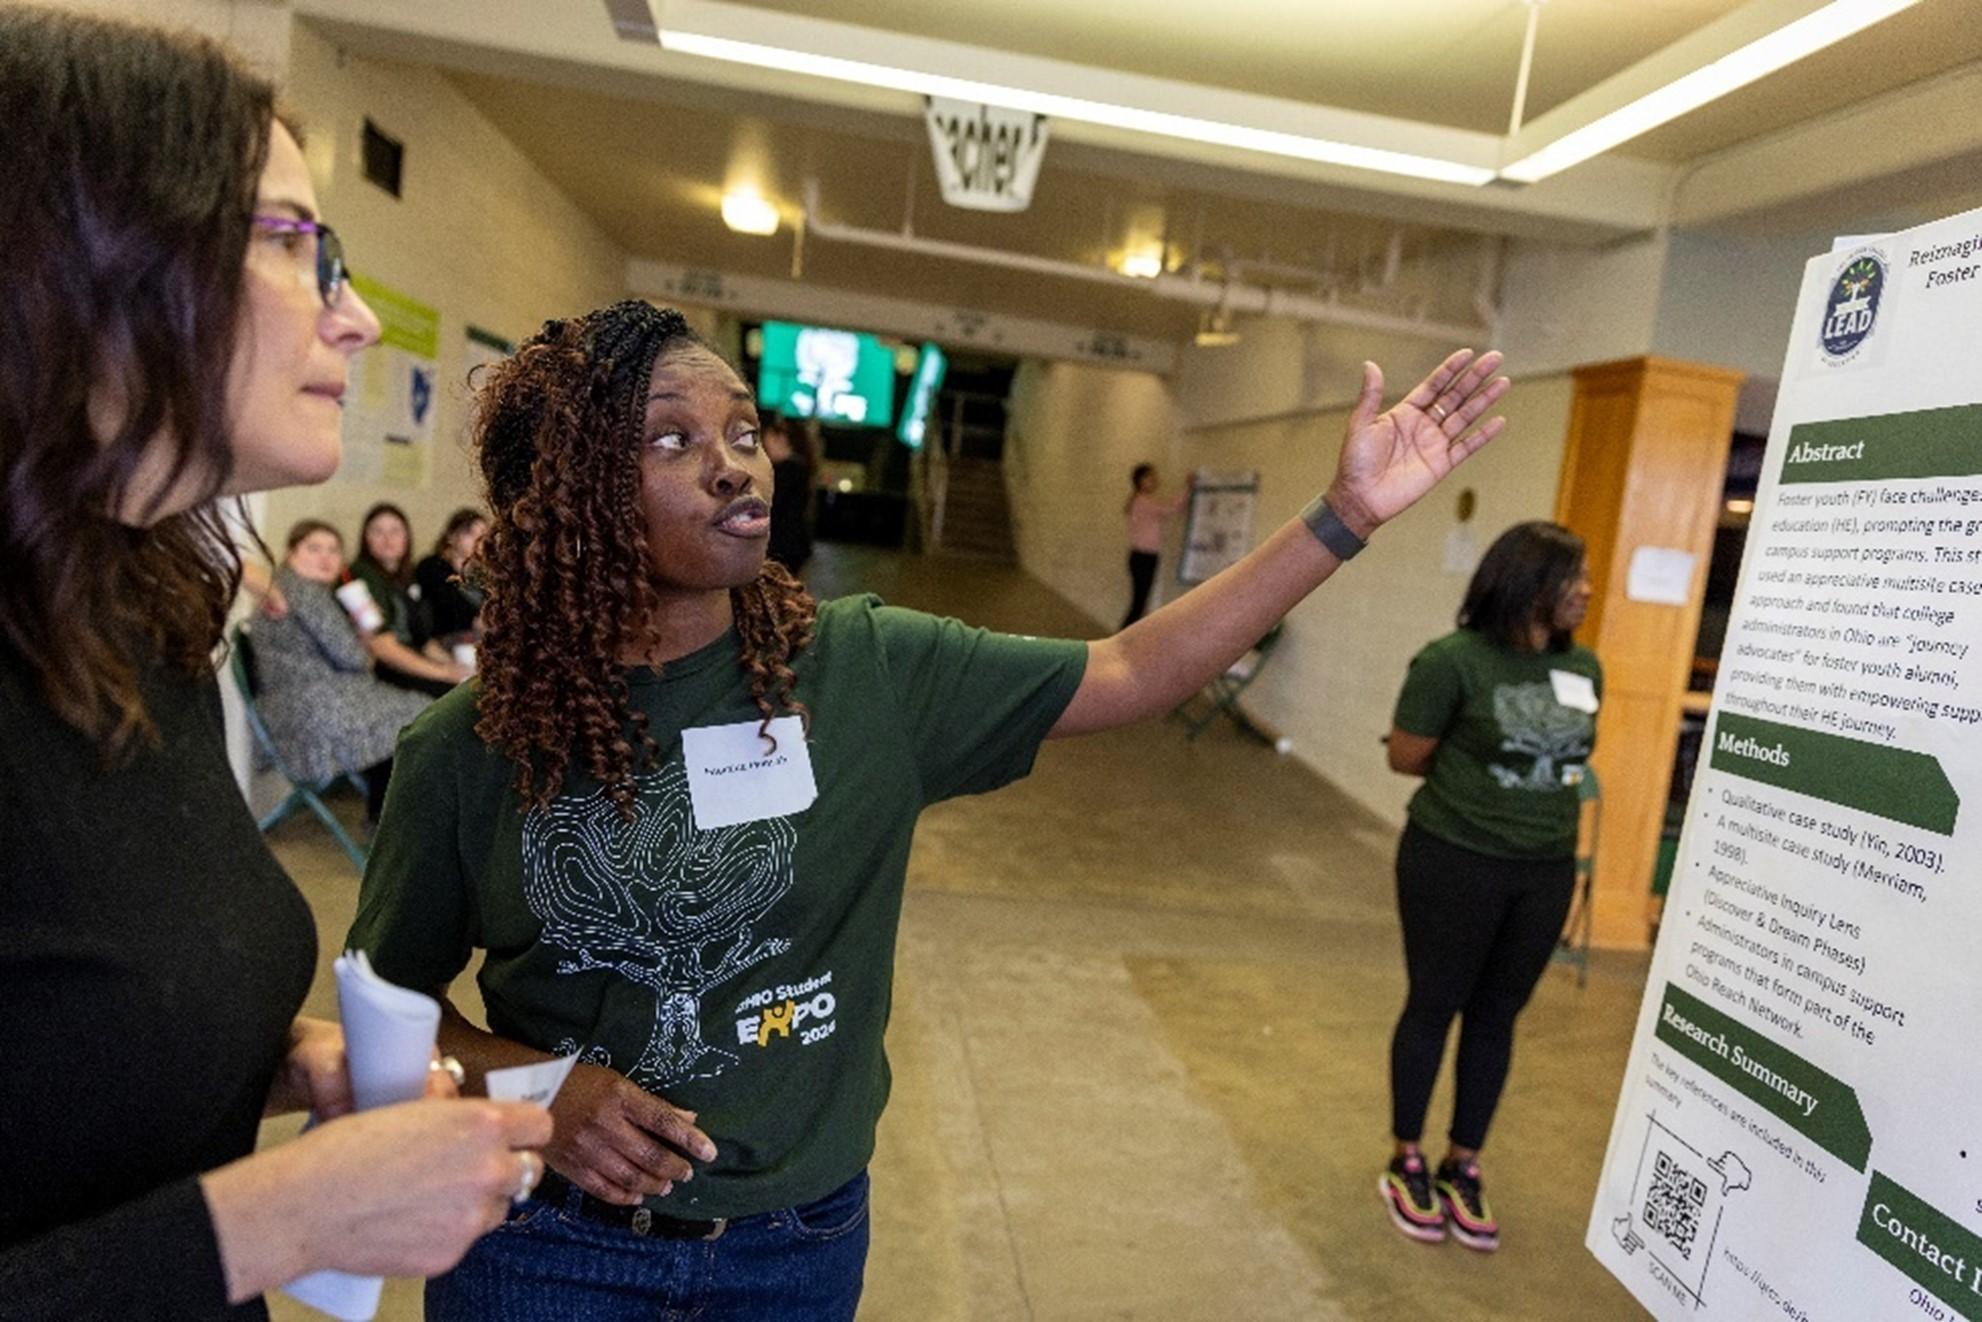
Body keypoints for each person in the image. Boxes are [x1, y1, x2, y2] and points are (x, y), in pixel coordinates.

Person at [350, 300, 1510, 1317]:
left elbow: (1128, 670)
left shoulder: (864, 671)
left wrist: (1341, 516)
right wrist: (542, 1089)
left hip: (792, 1250)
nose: (735, 466)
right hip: (547, 1245)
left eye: (744, 433)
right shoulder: (467, 749)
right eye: (673, 440)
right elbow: (384, 1015)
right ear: (569, 495)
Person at [0, 12, 553, 1318]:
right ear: (92, 259)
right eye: (298, 246)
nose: (351, 317)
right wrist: (281, 1217)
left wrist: (278, 1068)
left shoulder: (133, 624)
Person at [1378, 521, 1599, 1253]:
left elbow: (1570, 760)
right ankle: (1406, 1158)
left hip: (1545, 869)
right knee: (1434, 1004)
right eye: (1573, 577)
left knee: (1498, 1015)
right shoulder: (1452, 662)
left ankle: (1462, 1164)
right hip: (1454, 857)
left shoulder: (1584, 668)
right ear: (1527, 583)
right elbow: (1406, 756)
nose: (1586, 590)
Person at [249, 519, 453, 821]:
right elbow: (355, 658)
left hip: (302, 700)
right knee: (418, 718)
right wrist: (365, 637)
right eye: (314, 548)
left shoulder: (292, 587)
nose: (326, 557)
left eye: (333, 550)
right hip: (309, 708)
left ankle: (385, 815)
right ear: (291, 554)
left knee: (414, 712)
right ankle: (387, 819)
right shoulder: (304, 592)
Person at [351, 501, 464, 697]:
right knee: (460, 698)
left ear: (407, 537)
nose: (388, 539)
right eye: (377, 531)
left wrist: (457, 667)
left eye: (395, 531)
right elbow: (382, 647)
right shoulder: (361, 576)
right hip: (387, 671)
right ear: (365, 539)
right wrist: (444, 673)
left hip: (413, 661)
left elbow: (423, 642)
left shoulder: (406, 578)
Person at [1122, 462, 1187, 627]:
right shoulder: (1144, 502)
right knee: (1138, 605)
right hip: (1144, 558)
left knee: (1139, 603)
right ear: (1141, 480)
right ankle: (1123, 637)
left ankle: (1127, 636)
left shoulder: (1138, 501)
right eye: (1151, 477)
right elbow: (1171, 508)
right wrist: (1187, 487)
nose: (1156, 480)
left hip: (1140, 557)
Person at [416, 507, 490, 644]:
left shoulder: (484, 575)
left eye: (483, 535)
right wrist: (476, 621)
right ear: (451, 535)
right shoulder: (432, 566)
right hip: (443, 642)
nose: (478, 540)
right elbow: (447, 604)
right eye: (470, 533)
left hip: (478, 640)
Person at [763, 412, 817, 574]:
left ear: (782, 439)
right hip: (793, 544)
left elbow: (773, 507)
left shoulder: (787, 470)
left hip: (782, 545)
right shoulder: (799, 467)